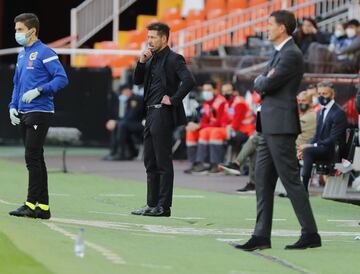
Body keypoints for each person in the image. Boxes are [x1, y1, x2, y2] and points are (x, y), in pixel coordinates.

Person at [233, 10, 321, 251]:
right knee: (261, 179)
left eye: (270, 24)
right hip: (270, 124)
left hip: (280, 125)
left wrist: (262, 80)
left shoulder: (291, 54)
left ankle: (310, 233)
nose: (266, 28)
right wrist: (263, 79)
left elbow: (266, 83)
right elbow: (264, 80)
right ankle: (261, 235)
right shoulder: (281, 52)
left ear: (282, 27)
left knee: (290, 180)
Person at [8, 13, 69, 219]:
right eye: (16, 29)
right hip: (24, 112)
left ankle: (30, 203)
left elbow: (62, 79)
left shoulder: (45, 52)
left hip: (40, 110)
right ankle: (43, 207)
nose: (16, 33)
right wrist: (12, 106)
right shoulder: (22, 54)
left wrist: (40, 90)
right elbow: (17, 83)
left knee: (31, 157)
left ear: (32, 31)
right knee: (36, 158)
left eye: (20, 30)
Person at [131, 22, 195, 217]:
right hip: (150, 113)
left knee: (162, 161)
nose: (149, 41)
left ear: (164, 38)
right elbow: (137, 80)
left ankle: (163, 206)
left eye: (153, 37)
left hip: (162, 112)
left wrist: (173, 99)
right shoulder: (150, 59)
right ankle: (152, 204)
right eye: (148, 37)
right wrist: (141, 62)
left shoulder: (174, 59)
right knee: (149, 160)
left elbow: (189, 80)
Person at [297, 81, 347, 192]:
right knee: (300, 150)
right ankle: (295, 187)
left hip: (334, 151)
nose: (321, 96)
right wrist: (308, 145)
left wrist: (310, 146)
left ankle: (303, 188)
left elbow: (334, 139)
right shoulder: (320, 111)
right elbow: (317, 135)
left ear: (332, 95)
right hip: (322, 148)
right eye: (319, 94)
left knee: (307, 151)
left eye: (325, 94)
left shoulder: (338, 112)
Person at [184, 81, 227, 173]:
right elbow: (204, 120)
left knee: (205, 131)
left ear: (215, 90)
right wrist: (195, 125)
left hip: (223, 129)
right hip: (210, 128)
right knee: (190, 131)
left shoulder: (221, 102)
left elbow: (219, 123)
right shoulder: (207, 103)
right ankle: (195, 163)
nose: (206, 92)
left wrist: (200, 126)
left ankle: (210, 163)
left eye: (208, 90)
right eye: (204, 90)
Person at [103, 84, 144, 161]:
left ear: (127, 90)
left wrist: (117, 122)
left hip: (141, 124)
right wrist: (115, 122)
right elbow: (126, 116)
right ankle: (114, 152)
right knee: (118, 125)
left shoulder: (136, 99)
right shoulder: (129, 100)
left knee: (121, 125)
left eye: (123, 92)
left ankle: (121, 153)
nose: (123, 94)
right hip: (131, 124)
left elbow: (132, 116)